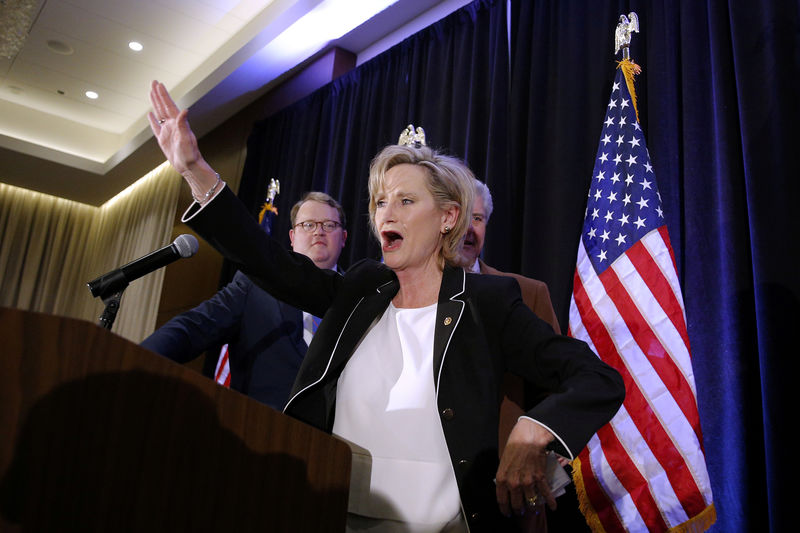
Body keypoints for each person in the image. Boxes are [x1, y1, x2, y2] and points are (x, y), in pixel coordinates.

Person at [147, 80, 625, 532]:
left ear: (448, 217)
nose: (386, 213)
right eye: (379, 201)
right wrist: (194, 169)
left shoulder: (486, 303)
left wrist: (533, 428)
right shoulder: (360, 289)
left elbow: (597, 378)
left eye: (405, 200)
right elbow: (268, 261)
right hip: (332, 514)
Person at [141, 191, 347, 410]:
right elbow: (194, 326)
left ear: (343, 237)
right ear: (292, 236)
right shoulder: (253, 286)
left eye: (329, 225)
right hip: (257, 430)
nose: (318, 232)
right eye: (308, 225)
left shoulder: (362, 301)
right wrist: (139, 360)